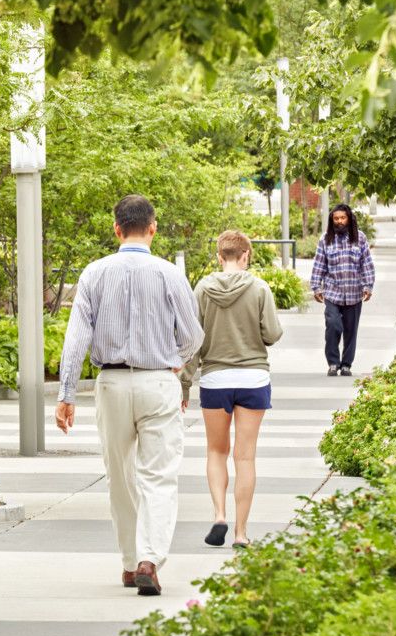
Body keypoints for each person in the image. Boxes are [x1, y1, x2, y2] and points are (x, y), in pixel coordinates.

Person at [56, 194, 204, 597]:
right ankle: (149, 560)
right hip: (159, 381)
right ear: (153, 228)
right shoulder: (170, 274)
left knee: (121, 477)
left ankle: (128, 563)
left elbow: (76, 337)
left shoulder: (95, 273)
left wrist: (66, 392)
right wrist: (176, 361)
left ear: (116, 229)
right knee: (159, 476)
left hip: (112, 384)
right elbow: (193, 335)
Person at [180, 231, 283, 550]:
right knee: (245, 457)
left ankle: (219, 516)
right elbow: (273, 333)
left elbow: (192, 341)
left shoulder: (202, 290)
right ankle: (240, 532)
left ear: (219, 256)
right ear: (245, 256)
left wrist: (184, 384)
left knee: (216, 452)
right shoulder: (260, 288)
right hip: (253, 379)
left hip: (215, 379)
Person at [310, 203, 375, 377]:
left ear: (349, 219)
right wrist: (316, 287)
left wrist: (368, 285)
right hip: (332, 292)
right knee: (333, 325)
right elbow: (319, 264)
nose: (339, 221)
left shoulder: (359, 238)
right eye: (336, 218)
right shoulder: (325, 239)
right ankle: (333, 362)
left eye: (342, 218)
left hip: (354, 293)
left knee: (351, 330)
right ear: (332, 220)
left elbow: (366, 263)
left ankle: (346, 364)